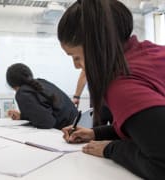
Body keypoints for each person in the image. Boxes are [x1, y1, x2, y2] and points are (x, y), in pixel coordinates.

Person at [58, 0, 165, 179]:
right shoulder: (149, 53)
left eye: (76, 57)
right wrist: (96, 133)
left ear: (97, 45)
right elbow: (148, 128)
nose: (77, 66)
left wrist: (110, 149)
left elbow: (161, 165)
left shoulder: (122, 83)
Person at [6, 63, 78, 130]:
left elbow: (47, 123)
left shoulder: (23, 93)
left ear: (11, 84)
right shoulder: (41, 82)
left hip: (69, 131)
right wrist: (22, 116)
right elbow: (45, 113)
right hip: (78, 126)